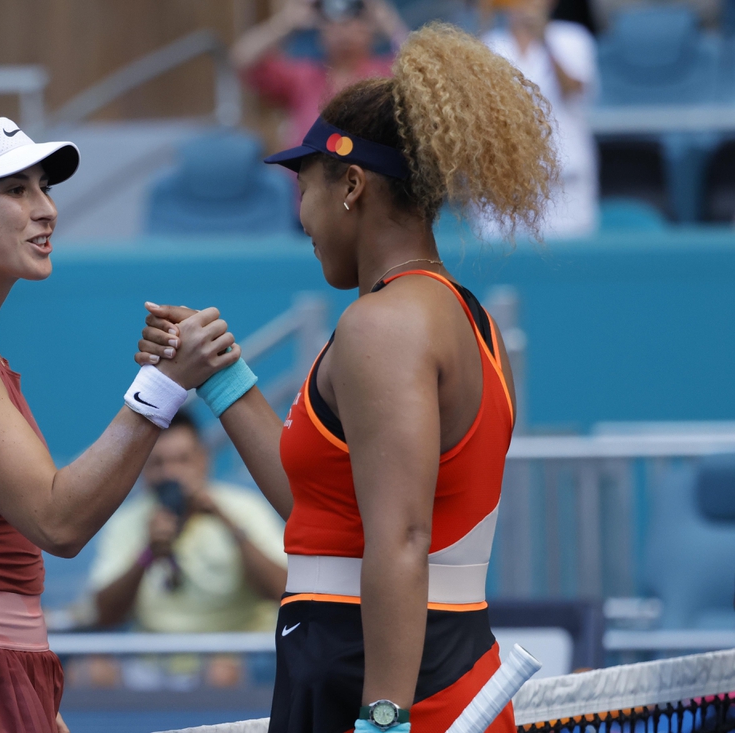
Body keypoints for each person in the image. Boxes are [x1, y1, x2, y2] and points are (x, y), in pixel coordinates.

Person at [137, 24, 555, 733]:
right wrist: (220, 373)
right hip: (421, 667)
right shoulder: (468, 322)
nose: (300, 215)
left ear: (351, 186)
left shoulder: (381, 327)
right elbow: (324, 515)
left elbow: (402, 537)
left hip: (382, 680)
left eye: (304, 187)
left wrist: (384, 717)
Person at [0, 116, 238, 733]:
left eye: (43, 188)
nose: (46, 209)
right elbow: (58, 521)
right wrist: (163, 386)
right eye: (15, 190)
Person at [89, 410, 287, 634]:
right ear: (142, 467)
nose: (170, 473)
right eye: (157, 463)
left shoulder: (245, 509)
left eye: (182, 460)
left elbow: (283, 592)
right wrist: (148, 554)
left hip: (240, 648)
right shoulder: (127, 521)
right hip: (156, 653)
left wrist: (227, 523)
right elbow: (104, 614)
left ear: (203, 459)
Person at [483, 0, 598, 239]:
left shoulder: (572, 38)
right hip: (506, 183)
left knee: (570, 256)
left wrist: (545, 40)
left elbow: (573, 90)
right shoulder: (490, 43)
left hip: (565, 182)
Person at [233, 0, 409, 150]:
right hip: (307, 178)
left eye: (354, 21)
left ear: (370, 29)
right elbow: (242, 60)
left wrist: (388, 21)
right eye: (333, 23)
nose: (343, 30)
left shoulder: (386, 74)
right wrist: (286, 22)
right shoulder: (303, 78)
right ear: (320, 32)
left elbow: (421, 67)